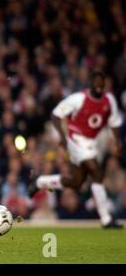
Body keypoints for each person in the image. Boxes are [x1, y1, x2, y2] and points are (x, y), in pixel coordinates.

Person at [29, 72, 123, 228]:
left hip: (92, 142)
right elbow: (56, 114)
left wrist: (117, 140)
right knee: (96, 172)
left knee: (76, 182)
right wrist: (62, 136)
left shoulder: (110, 100)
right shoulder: (78, 98)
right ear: (91, 84)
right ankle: (106, 218)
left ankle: (40, 182)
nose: (99, 87)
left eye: (102, 84)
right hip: (75, 139)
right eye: (96, 84)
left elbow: (115, 122)